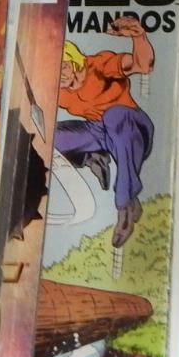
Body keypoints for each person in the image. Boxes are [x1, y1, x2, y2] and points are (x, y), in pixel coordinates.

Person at [55, 15, 155, 247]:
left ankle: (124, 206)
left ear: (74, 61)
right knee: (48, 136)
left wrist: (139, 36)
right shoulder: (58, 90)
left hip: (132, 125)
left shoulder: (99, 65)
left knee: (113, 116)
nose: (60, 75)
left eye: (63, 67)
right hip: (98, 132)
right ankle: (92, 157)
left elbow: (143, 65)